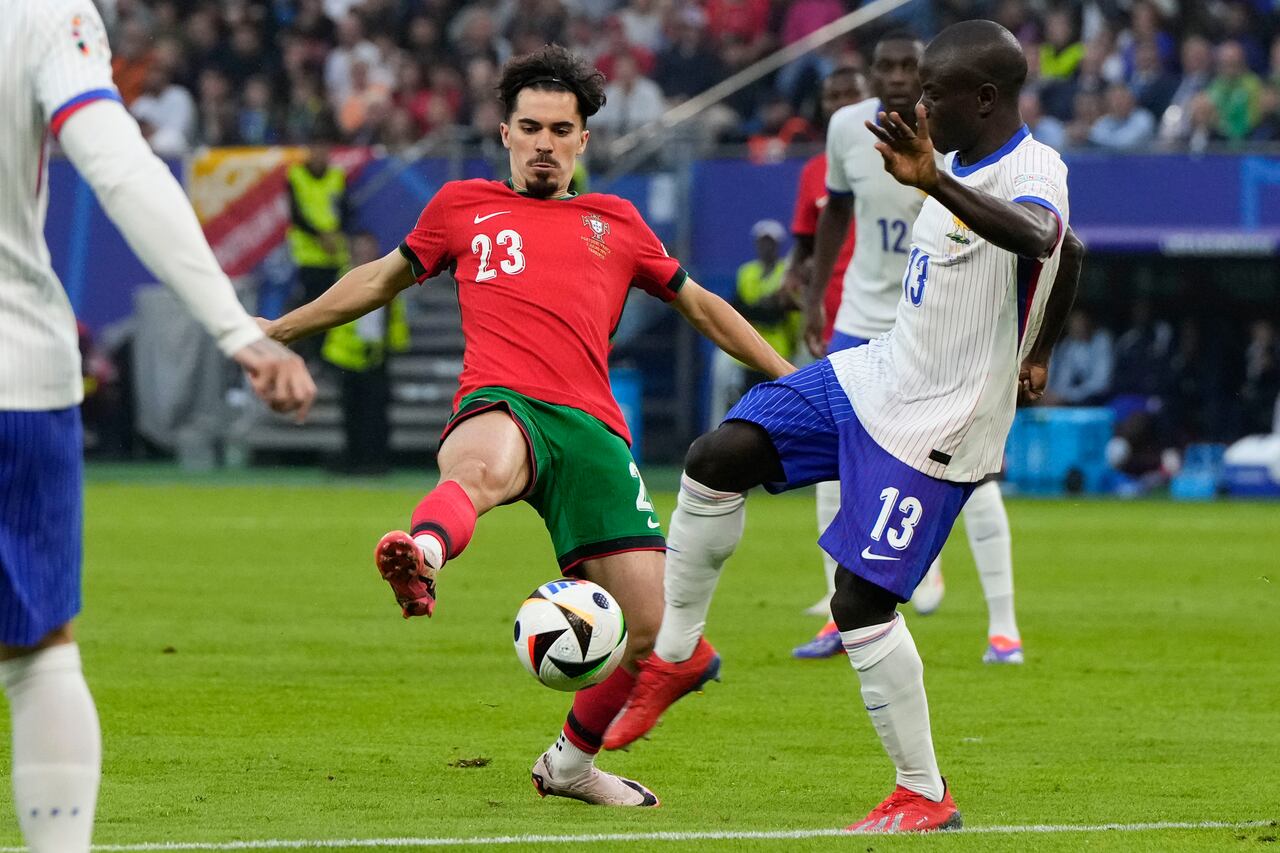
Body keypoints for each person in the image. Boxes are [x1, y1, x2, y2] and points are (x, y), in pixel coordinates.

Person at [259, 45, 792, 808]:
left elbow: (702, 304)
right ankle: (424, 556)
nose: (545, 142)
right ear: (504, 133)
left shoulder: (618, 222)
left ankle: (570, 766)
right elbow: (378, 278)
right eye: (531, 126)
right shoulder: (460, 208)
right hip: (503, 401)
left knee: (653, 636)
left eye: (561, 129)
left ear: (583, 139)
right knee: (473, 472)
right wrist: (279, 330)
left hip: (593, 433)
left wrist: (790, 378)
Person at [604, 20, 1084, 832]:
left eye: (935, 92)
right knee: (718, 455)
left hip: (944, 421)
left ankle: (923, 792)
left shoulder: (1035, 169)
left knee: (859, 602)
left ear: (987, 98)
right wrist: (1040, 348)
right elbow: (1075, 260)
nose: (920, 103)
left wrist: (934, 183)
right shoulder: (954, 161)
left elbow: (1047, 237)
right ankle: (679, 652)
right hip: (879, 372)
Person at [0, 3, 316, 852]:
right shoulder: (41, 12)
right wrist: (234, 327)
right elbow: (117, 165)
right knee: (35, 654)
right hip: (15, 377)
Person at [792, 29, 1028, 665]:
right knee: (836, 464)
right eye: (885, 67)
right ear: (869, 77)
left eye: (909, 68)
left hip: (942, 322)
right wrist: (817, 297)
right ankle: (836, 617)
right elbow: (834, 210)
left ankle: (1003, 627)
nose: (897, 77)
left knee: (974, 474)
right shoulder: (847, 129)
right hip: (865, 313)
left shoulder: (955, 133)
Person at [321, 232, 410, 475]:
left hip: (375, 354)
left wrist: (395, 342)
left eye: (367, 247)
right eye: (359, 247)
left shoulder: (385, 275)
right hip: (346, 355)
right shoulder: (344, 276)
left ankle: (376, 460)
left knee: (376, 412)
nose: (363, 252)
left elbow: (394, 314)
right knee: (352, 411)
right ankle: (355, 459)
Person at [286, 135, 351, 363]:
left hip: (334, 256)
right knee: (311, 308)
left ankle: (324, 358)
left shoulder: (336, 176)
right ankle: (311, 355)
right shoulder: (296, 175)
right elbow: (296, 215)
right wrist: (320, 236)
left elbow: (345, 211)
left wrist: (336, 234)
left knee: (331, 309)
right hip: (308, 256)